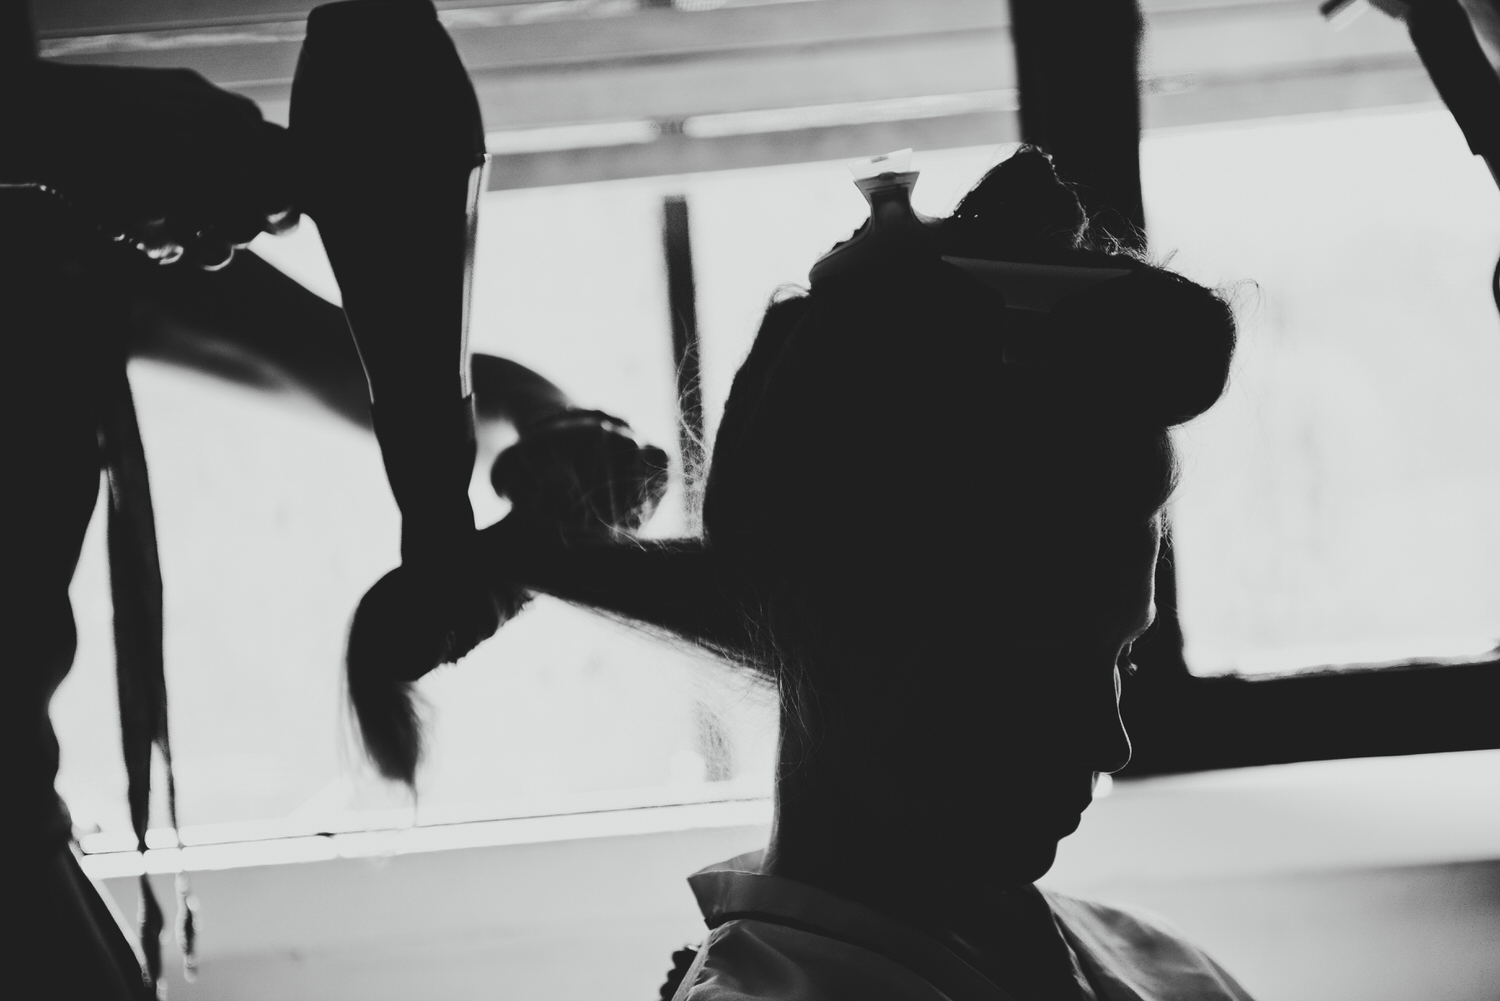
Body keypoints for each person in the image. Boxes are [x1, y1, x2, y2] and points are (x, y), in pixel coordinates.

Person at [424, 145, 1250, 1000]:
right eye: (1040, 667)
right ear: (841, 632)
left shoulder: (1170, 966)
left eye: (1123, 658)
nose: (1111, 741)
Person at [1, 2, 666, 993]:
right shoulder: (59, 205)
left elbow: (409, 363)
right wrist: (50, 127)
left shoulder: (61, 246)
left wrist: (560, 427)